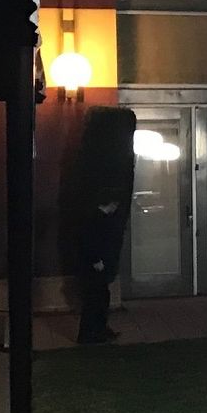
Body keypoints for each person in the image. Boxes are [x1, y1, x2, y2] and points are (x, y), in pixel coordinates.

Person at [65, 106, 136, 345]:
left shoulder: (97, 213)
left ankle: (98, 329)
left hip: (98, 256)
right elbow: (90, 236)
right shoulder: (94, 217)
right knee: (94, 294)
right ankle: (89, 333)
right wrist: (97, 259)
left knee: (99, 293)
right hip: (95, 258)